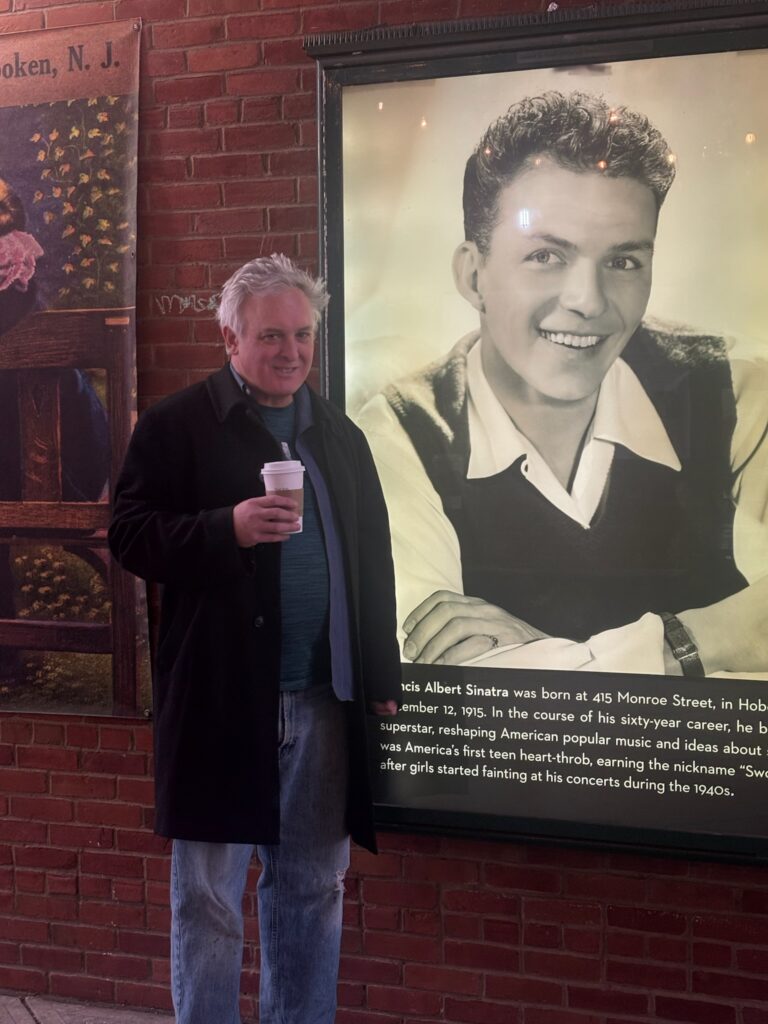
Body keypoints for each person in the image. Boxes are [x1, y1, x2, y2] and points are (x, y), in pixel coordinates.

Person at [357, 91, 768, 678]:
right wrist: (716, 645)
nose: (588, 302)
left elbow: (504, 675)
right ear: (474, 276)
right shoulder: (400, 432)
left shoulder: (736, 389)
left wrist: (656, 650)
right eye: (547, 256)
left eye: (623, 262)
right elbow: (450, 676)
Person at [108, 254, 401, 1024]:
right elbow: (129, 536)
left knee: (312, 888)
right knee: (207, 899)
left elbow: (373, 558)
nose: (291, 351)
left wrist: (380, 672)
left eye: (303, 334)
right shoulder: (176, 427)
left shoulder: (338, 435)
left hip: (323, 700)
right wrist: (224, 529)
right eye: (271, 334)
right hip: (219, 700)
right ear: (230, 338)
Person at [0, 177, 109, 686]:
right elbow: (92, 434)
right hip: (60, 482)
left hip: (34, 476)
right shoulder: (32, 311)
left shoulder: (19, 308)